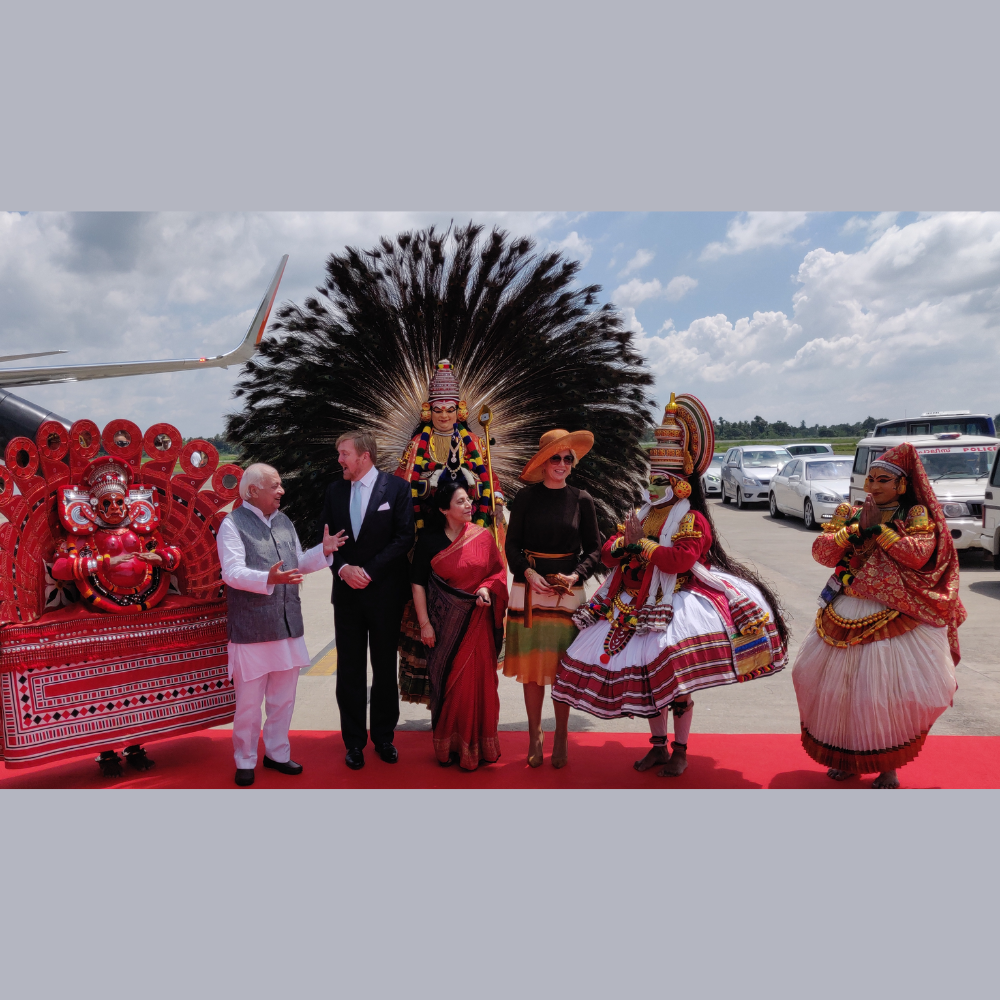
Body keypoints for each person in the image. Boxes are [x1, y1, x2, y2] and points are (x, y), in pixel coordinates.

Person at [553, 393, 789, 777]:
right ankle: (659, 747)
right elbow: (610, 555)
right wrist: (628, 543)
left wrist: (641, 546)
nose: (651, 485)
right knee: (648, 681)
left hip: (674, 602)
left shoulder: (691, 519)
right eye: (649, 478)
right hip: (628, 601)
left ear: (680, 485)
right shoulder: (642, 514)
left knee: (674, 682)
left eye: (660, 479)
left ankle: (680, 750)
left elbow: (681, 559)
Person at [792, 443, 965, 788]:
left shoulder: (914, 515)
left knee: (883, 692)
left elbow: (916, 556)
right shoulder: (851, 511)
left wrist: (879, 530)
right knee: (830, 685)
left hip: (894, 614)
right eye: (870, 478)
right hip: (846, 606)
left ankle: (888, 767)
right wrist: (857, 528)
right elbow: (822, 553)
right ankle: (848, 756)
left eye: (883, 480)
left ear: (902, 485)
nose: (872, 486)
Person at [218, 463, 346, 787]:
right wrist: (267, 578)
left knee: (283, 699)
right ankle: (244, 760)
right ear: (252, 491)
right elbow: (231, 572)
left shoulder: (284, 521)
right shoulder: (232, 525)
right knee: (248, 705)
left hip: (287, 627)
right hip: (251, 633)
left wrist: (323, 551)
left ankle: (276, 753)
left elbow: (297, 562)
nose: (281, 491)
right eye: (275, 485)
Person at [395, 358, 504, 705]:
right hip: (428, 536)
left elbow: (489, 479)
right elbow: (403, 484)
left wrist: (495, 500)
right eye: (439, 409)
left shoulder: (475, 441)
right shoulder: (416, 446)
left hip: (467, 537)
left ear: (460, 410)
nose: (444, 415)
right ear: (429, 411)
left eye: (450, 409)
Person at [503, 429, 603, 768]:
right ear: (544, 462)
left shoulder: (582, 499)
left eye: (567, 458)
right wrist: (528, 573)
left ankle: (561, 733)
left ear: (572, 464)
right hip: (529, 590)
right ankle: (535, 734)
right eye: (555, 458)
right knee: (532, 670)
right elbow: (511, 544)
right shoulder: (526, 498)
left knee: (563, 669)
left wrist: (576, 576)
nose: (561, 463)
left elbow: (594, 549)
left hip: (568, 595)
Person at [319, 429, 415, 770]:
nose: (340, 460)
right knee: (350, 670)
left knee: (385, 668)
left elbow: (404, 537)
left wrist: (368, 571)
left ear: (364, 456)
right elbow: (327, 540)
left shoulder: (398, 489)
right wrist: (344, 569)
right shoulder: (334, 490)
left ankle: (384, 737)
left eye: (344, 453)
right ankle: (354, 742)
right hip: (346, 595)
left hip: (385, 594)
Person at [410, 481, 508, 769]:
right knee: (450, 686)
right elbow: (417, 584)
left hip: (478, 624)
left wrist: (487, 590)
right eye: (461, 502)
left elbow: (497, 573)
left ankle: (478, 746)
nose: (469, 506)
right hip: (443, 628)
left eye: (469, 500)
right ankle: (448, 747)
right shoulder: (428, 540)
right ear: (444, 509)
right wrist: (425, 624)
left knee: (479, 683)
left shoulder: (483, 536)